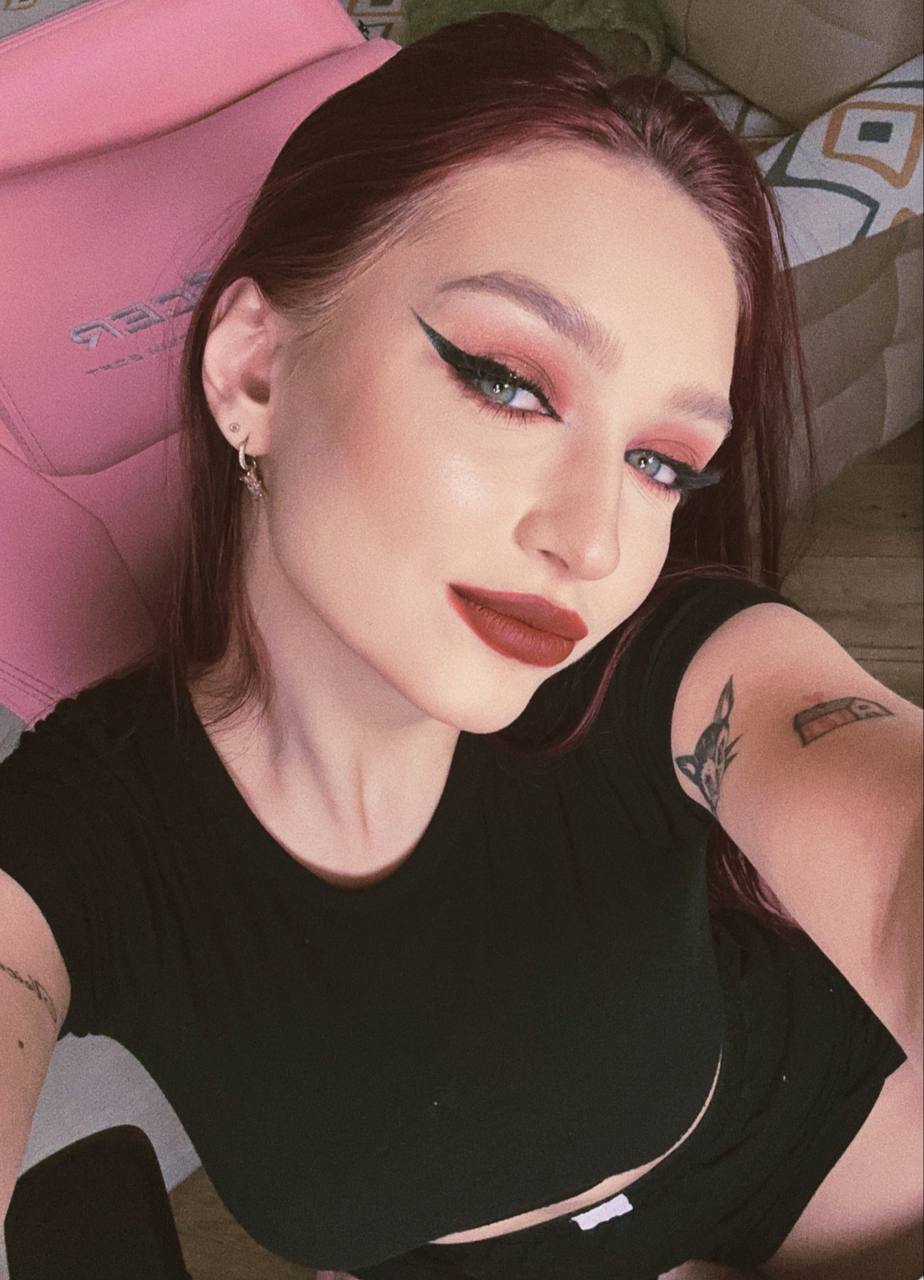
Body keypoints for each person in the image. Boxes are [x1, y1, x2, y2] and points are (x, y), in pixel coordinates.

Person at [1, 13, 921, 1280]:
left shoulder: (675, 664)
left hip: (815, 1144)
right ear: (255, 370)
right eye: (510, 383)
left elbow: (896, 856)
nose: (594, 541)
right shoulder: (85, 833)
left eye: (662, 462)